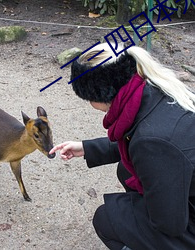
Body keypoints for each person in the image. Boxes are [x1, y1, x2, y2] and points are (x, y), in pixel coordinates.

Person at [49, 42, 195, 250]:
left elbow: (170, 224)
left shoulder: (152, 142)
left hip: (186, 222)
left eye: (88, 98)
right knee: (126, 170)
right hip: (186, 186)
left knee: (107, 218)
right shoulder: (155, 87)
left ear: (100, 93)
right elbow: (140, 139)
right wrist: (87, 148)